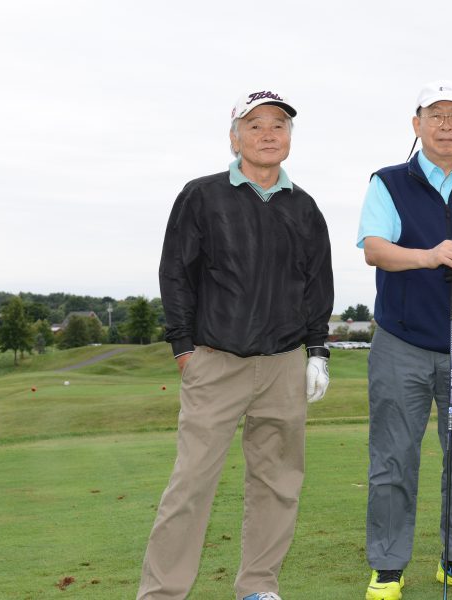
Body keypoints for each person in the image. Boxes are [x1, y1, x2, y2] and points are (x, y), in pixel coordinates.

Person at [139, 90, 334, 600]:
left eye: (278, 125)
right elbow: (175, 274)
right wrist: (183, 348)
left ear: (289, 137)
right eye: (255, 125)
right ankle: (162, 592)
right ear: (234, 137)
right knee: (191, 483)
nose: (268, 134)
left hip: (283, 364)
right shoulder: (202, 196)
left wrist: (317, 352)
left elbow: (318, 285)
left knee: (277, 483)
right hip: (215, 360)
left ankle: (258, 586)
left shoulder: (304, 207)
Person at [357, 80, 452, 600]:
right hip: (402, 341)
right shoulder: (389, 181)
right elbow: (374, 248)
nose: (446, 124)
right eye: (436, 115)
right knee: (393, 457)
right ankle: (388, 566)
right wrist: (430, 255)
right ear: (417, 124)